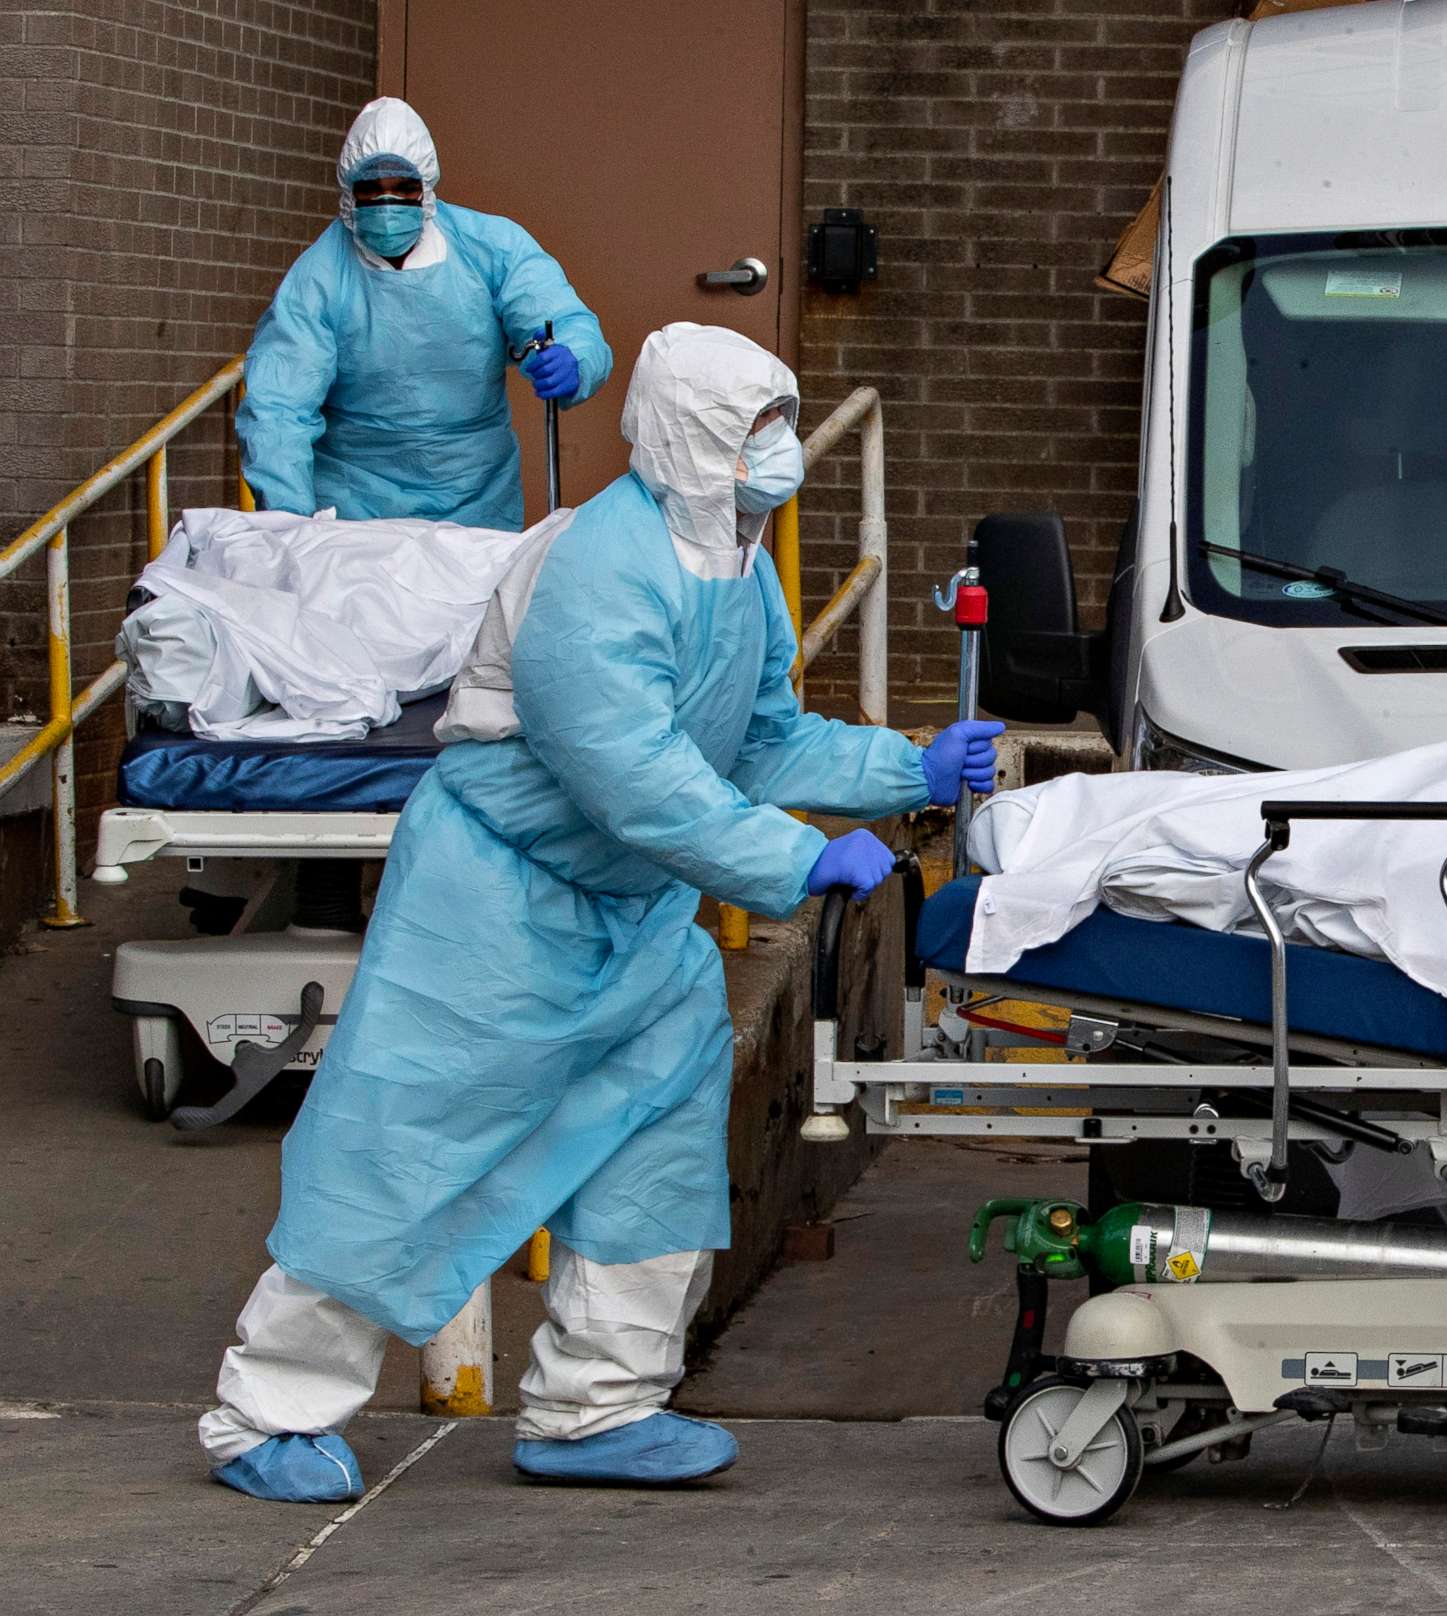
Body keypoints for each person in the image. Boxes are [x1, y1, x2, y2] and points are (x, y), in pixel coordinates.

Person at [199, 323, 1006, 1501]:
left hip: (633, 920)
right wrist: (793, 861)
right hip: (496, 907)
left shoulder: (738, 561)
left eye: (782, 424)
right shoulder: (594, 567)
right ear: (694, 436)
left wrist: (907, 771)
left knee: (656, 1157)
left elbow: (761, 735)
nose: (780, 453)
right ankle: (265, 1413)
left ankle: (599, 1406)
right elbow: (632, 776)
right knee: (404, 1152)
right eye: (757, 430)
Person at [236, 96, 613, 531]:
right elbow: (278, 407)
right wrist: (289, 520)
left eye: (403, 187)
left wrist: (573, 358)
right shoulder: (320, 277)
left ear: (427, 187)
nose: (387, 203)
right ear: (349, 192)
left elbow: (562, 319)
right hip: (355, 506)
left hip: (476, 495)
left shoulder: (491, 248)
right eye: (371, 190)